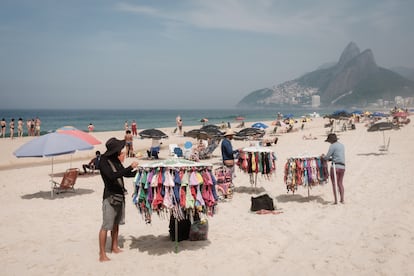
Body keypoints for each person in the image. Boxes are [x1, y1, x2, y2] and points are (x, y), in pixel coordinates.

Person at [98, 138, 138, 262]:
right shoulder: (103, 161)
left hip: (119, 195)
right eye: (119, 149)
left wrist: (139, 173)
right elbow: (112, 176)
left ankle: (114, 246)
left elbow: (124, 173)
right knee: (106, 225)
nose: (120, 151)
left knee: (116, 224)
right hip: (109, 196)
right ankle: (102, 254)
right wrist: (130, 167)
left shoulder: (115, 159)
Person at [322, 133, 345, 204]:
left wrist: (323, 157)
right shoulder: (342, 146)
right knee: (340, 183)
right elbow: (337, 157)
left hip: (335, 167)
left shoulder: (332, 146)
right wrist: (330, 159)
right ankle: (342, 199)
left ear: (331, 140)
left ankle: (336, 200)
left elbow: (327, 157)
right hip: (342, 166)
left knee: (334, 184)